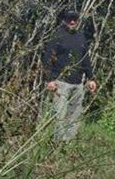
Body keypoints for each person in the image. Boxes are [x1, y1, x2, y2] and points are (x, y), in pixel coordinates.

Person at [42, 9, 98, 141]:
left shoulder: (81, 37)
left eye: (75, 19)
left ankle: (68, 143)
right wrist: (49, 80)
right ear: (64, 20)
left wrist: (91, 78)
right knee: (59, 116)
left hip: (78, 84)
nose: (72, 22)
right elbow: (47, 58)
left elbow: (85, 59)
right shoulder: (57, 36)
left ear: (78, 21)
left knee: (74, 116)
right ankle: (57, 143)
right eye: (69, 19)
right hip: (61, 83)